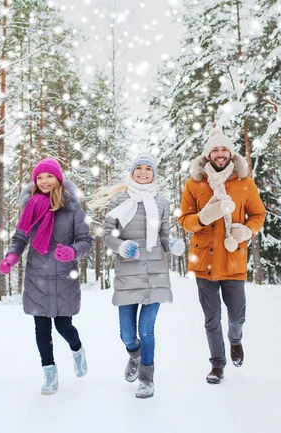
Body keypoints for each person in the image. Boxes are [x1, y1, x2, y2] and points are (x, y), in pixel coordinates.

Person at [94, 152, 185, 399]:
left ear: (154, 174)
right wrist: (120, 246)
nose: (143, 172)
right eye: (139, 168)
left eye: (148, 169)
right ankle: (134, 354)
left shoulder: (162, 203)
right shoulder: (119, 201)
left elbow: (164, 235)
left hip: (155, 275)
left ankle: (147, 378)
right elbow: (107, 233)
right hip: (128, 274)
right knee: (127, 334)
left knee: (147, 330)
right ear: (132, 172)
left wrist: (173, 244)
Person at [178, 128, 267, 384]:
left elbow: (259, 215)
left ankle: (236, 340)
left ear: (231, 153)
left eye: (224, 149)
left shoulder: (244, 182)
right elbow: (184, 220)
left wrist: (246, 231)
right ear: (208, 155)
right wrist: (203, 218)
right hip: (203, 260)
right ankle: (217, 364)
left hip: (233, 258)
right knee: (212, 319)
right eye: (215, 150)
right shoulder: (194, 183)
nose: (220, 154)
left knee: (237, 315)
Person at [0, 158, 93, 395]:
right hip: (36, 276)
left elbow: (86, 241)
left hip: (63, 275)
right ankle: (50, 373)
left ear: (58, 179)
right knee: (41, 328)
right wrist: (11, 256)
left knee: (64, 326)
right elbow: (20, 238)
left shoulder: (72, 208)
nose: (44, 181)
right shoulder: (29, 207)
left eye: (49, 176)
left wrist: (72, 251)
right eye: (39, 177)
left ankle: (77, 349)